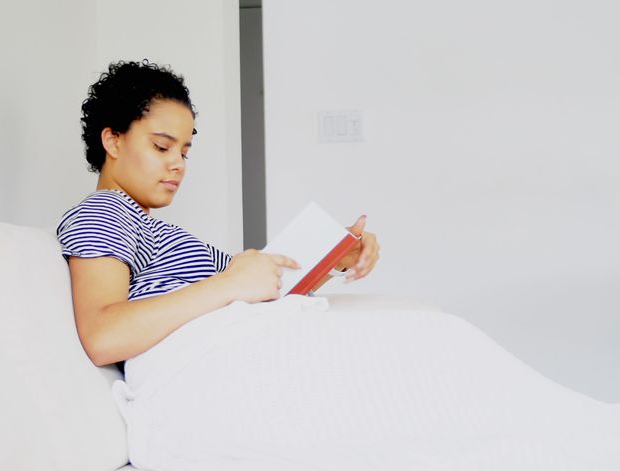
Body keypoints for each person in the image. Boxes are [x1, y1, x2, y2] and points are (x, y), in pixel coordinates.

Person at [57, 60, 380, 367]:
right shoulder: (104, 212)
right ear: (113, 141)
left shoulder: (147, 227)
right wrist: (229, 284)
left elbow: (256, 291)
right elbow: (103, 335)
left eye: (184, 152)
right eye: (161, 147)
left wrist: (335, 258)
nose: (178, 164)